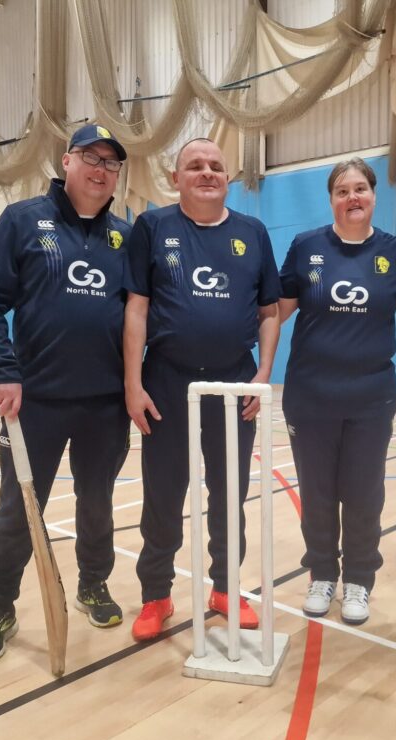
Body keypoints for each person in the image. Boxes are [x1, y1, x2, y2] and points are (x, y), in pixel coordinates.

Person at [0, 124, 133, 663]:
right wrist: (4, 369)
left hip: (105, 404)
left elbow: (141, 316)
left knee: (98, 501)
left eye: (111, 162)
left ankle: (93, 584)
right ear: (67, 161)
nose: (100, 169)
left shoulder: (126, 237)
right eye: (91, 157)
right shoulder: (23, 221)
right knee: (18, 507)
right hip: (34, 401)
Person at [123, 137, 281, 641]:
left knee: (228, 494)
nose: (207, 173)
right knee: (163, 496)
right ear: (176, 178)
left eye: (216, 166)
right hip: (167, 381)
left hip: (234, 381)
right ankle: (156, 595)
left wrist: (262, 374)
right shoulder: (153, 227)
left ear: (228, 178)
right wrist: (133, 383)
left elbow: (270, 313)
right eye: (194, 166)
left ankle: (225, 588)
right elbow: (137, 310)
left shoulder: (253, 233)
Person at [279, 157, 396, 625]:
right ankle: (322, 573)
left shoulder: (394, 251)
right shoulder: (305, 248)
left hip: (370, 398)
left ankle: (359, 579)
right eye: (342, 191)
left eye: (360, 189)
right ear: (332, 200)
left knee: (364, 493)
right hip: (310, 395)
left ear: (374, 195)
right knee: (318, 492)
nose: (352, 198)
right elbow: (275, 311)